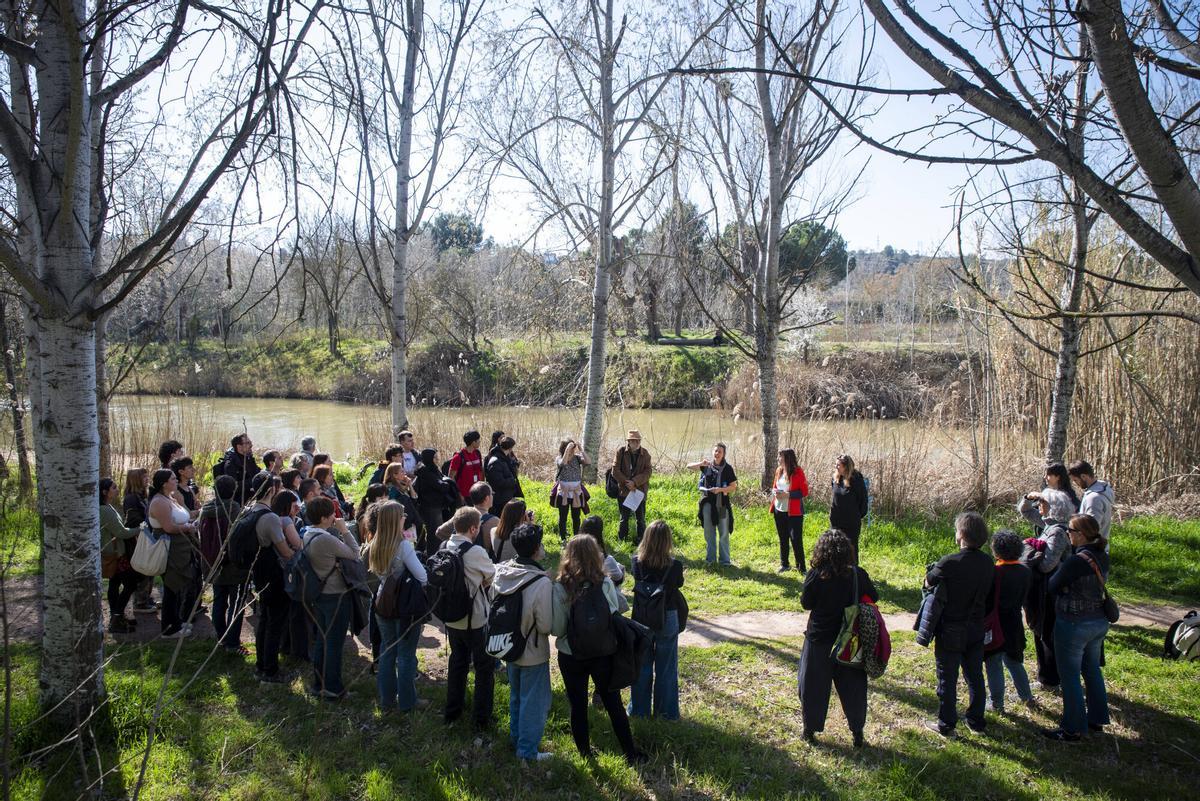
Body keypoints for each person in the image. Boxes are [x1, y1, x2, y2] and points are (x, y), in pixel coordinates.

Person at [552, 535, 647, 764]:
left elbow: (557, 628)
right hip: (602, 652)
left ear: (568, 556)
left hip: (571, 653)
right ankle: (630, 753)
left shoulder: (561, 586)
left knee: (577, 705)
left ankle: (585, 754)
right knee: (613, 702)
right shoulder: (604, 583)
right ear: (596, 556)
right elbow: (614, 614)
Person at [798, 529, 877, 747]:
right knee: (854, 688)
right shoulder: (857, 574)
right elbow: (874, 596)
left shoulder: (816, 574)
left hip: (820, 639)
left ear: (821, 551)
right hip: (850, 639)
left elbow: (806, 603)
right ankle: (857, 732)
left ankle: (809, 731)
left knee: (813, 686)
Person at [924, 511, 995, 737]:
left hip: (951, 628)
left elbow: (928, 582)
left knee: (947, 677)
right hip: (976, 626)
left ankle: (946, 723)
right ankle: (976, 721)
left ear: (961, 535)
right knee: (975, 675)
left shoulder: (950, 562)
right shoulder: (988, 562)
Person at [1042, 513, 1112, 742]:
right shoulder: (1102, 556)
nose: (1067, 534)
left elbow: (1052, 585)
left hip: (1074, 623)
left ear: (1081, 535)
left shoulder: (1076, 561)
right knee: (1092, 670)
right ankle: (1096, 719)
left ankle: (1072, 728)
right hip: (1098, 621)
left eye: (1070, 531)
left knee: (1070, 676)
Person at [491, 523, 554, 762]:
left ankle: (516, 738)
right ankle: (527, 752)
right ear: (536, 549)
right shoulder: (541, 583)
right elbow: (545, 625)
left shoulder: (501, 572)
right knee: (533, 702)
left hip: (507, 645)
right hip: (532, 651)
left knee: (516, 695)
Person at [367, 500, 428, 713]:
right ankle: (407, 702)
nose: (405, 518)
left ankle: (387, 700)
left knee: (387, 650)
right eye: (402, 515)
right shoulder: (402, 546)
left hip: (382, 603)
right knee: (406, 654)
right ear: (396, 520)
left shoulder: (375, 542)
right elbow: (422, 576)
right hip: (403, 606)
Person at [441, 506, 496, 729]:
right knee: (484, 668)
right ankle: (481, 719)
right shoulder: (475, 552)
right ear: (473, 528)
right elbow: (491, 576)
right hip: (475, 619)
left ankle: (452, 712)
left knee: (457, 663)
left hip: (451, 617)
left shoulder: (444, 547)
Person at [303, 496, 361, 700]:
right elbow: (355, 553)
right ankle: (333, 688)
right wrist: (344, 530)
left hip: (320, 594)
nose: (334, 517)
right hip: (335, 595)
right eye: (331, 515)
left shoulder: (307, 534)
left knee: (322, 641)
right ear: (324, 518)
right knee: (334, 644)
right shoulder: (325, 539)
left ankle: (319, 684)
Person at [1018, 488, 1074, 688]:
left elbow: (1046, 565)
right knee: (1042, 632)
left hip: (1051, 592)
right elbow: (1025, 511)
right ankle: (1047, 677)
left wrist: (1030, 549)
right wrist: (1027, 498)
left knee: (1047, 635)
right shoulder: (1049, 524)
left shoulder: (1057, 531)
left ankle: (1050, 680)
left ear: (1054, 507)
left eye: (1042, 503)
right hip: (1045, 589)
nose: (1038, 506)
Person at [629, 520, 684, 720]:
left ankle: (639, 711)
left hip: (642, 616)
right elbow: (679, 583)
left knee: (642, 667)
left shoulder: (636, 562)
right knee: (666, 668)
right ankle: (666, 713)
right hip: (667, 615)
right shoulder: (675, 566)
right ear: (667, 541)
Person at [250, 482, 297, 683]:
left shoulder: (250, 510)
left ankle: (261, 665)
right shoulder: (270, 517)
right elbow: (285, 552)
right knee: (275, 624)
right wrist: (294, 553)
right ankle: (270, 671)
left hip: (259, 572)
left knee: (264, 620)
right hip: (273, 575)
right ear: (271, 491)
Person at [984, 529, 1035, 712]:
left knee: (994, 664)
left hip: (996, 624)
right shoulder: (1025, 571)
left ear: (997, 550)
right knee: (1014, 662)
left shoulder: (995, 571)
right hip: (1015, 623)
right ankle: (1027, 696)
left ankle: (997, 703)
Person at [148, 469, 201, 638]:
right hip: (169, 548)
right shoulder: (159, 502)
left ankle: (176, 622)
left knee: (177, 587)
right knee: (171, 587)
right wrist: (189, 527)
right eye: (172, 479)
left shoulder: (170, 497)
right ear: (164, 483)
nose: (176, 480)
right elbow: (169, 527)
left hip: (180, 548)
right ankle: (169, 628)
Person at [203, 475, 249, 654]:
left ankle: (221, 637)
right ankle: (232, 643)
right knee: (236, 604)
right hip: (232, 563)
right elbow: (239, 536)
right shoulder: (234, 509)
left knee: (219, 601)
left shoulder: (207, 509)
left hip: (213, 562)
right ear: (233, 490)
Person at [101, 478, 143, 633]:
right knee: (131, 584)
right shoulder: (104, 510)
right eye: (113, 488)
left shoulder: (107, 507)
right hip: (115, 554)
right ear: (105, 492)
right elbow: (121, 532)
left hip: (115, 552)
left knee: (115, 584)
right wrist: (140, 529)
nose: (117, 489)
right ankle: (116, 618)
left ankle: (116, 617)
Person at [689, 442, 737, 566]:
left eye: (720, 451)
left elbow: (733, 487)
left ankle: (724, 561)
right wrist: (701, 463)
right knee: (709, 532)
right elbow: (688, 466)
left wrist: (720, 490)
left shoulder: (728, 468)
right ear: (712, 452)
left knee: (723, 531)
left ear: (724, 454)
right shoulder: (707, 466)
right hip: (707, 504)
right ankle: (710, 559)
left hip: (722, 504)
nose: (717, 453)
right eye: (715, 451)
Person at [123, 467, 157, 613]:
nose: (147, 479)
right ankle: (140, 602)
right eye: (144, 477)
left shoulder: (142, 495)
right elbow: (133, 520)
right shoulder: (131, 498)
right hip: (138, 538)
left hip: (146, 536)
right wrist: (147, 526)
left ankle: (146, 597)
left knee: (149, 568)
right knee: (142, 570)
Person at [773, 448, 809, 573]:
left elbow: (804, 492)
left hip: (794, 512)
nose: (778, 459)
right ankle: (785, 564)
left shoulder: (798, 472)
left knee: (796, 539)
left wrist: (787, 495)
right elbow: (775, 486)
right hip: (779, 510)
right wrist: (775, 493)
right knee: (783, 538)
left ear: (787, 458)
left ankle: (801, 568)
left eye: (780, 457)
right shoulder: (779, 470)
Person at [613, 429, 652, 544]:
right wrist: (627, 483)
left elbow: (648, 472)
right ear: (628, 442)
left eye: (638, 440)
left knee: (641, 519)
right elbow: (615, 470)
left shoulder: (645, 454)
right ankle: (622, 540)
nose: (636, 442)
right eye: (633, 440)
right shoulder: (621, 452)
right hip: (624, 490)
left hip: (639, 491)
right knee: (624, 518)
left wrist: (634, 482)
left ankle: (642, 541)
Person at [414, 448, 455, 554]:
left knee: (435, 533)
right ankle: (434, 555)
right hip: (431, 507)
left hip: (435, 505)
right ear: (429, 459)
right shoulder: (426, 472)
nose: (437, 460)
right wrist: (448, 484)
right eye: (435, 457)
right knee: (435, 534)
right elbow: (440, 486)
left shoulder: (432, 469)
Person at [829, 455, 868, 563]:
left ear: (846, 466)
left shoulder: (856, 479)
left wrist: (857, 516)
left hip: (851, 522)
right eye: (835, 464)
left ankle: (853, 571)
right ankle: (837, 569)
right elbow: (835, 498)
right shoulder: (835, 478)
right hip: (836, 521)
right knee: (835, 547)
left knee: (851, 549)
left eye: (839, 465)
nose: (836, 467)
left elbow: (863, 500)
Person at [1068, 461, 1114, 546]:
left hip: (1092, 548)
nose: (1075, 483)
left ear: (1083, 476)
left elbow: (1090, 529)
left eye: (1075, 480)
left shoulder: (1093, 499)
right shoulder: (1102, 488)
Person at [552, 438, 589, 541]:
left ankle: (576, 537)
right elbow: (563, 463)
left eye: (573, 449)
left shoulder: (577, 458)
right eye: (570, 449)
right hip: (563, 493)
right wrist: (567, 450)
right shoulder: (559, 458)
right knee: (563, 516)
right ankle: (563, 538)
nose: (572, 451)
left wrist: (581, 449)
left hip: (576, 493)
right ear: (564, 449)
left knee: (576, 516)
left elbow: (588, 461)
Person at [579, 515, 624, 585]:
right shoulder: (607, 560)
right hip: (600, 591)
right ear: (600, 532)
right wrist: (619, 567)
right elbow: (618, 578)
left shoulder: (572, 557)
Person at [484, 435, 523, 515]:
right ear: (510, 448)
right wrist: (512, 481)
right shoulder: (496, 461)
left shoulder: (504, 458)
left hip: (506, 496)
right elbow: (497, 482)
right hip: (500, 499)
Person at [221, 433, 261, 505]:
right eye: (248, 443)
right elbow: (233, 486)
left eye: (250, 442)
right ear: (239, 447)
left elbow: (257, 471)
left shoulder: (248, 458)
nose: (251, 445)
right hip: (239, 500)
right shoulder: (231, 464)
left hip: (252, 493)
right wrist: (254, 481)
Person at [467, 482, 499, 561]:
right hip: (484, 562)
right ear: (487, 498)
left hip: (465, 560)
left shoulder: (462, 515)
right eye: (492, 494)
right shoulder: (495, 521)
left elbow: (440, 532)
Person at [448, 430, 485, 501]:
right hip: (464, 496)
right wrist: (459, 494)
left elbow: (480, 470)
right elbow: (451, 477)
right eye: (478, 440)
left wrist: (482, 487)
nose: (480, 441)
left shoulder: (477, 453)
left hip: (477, 493)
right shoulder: (458, 457)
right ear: (473, 442)